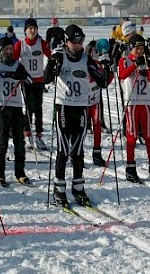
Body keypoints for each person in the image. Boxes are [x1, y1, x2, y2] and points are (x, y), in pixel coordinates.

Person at [44, 24, 110, 207]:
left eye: (81, 41)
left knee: (78, 151)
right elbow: (46, 78)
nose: (78, 45)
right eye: (74, 41)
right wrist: (52, 60)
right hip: (64, 107)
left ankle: (78, 189)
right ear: (66, 41)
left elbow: (103, 82)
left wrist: (106, 65)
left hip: (81, 107)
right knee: (64, 150)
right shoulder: (60, 56)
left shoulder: (86, 59)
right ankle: (59, 189)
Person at [118, 34, 150, 184]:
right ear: (131, 48)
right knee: (132, 136)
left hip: (145, 102)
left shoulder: (146, 60)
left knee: (148, 136)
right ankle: (130, 168)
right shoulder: (124, 60)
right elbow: (122, 75)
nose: (139, 51)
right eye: (136, 48)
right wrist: (135, 64)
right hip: (132, 103)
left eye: (141, 48)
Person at [0, 37, 31, 186]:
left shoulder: (17, 64)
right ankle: (0, 174)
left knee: (19, 142)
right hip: (3, 106)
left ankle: (20, 173)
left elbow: (28, 79)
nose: (9, 51)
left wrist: (19, 75)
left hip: (17, 105)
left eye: (11, 49)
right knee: (3, 142)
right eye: (6, 49)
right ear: (1, 50)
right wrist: (3, 74)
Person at [14, 18, 51, 150]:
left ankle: (39, 135)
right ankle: (28, 133)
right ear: (25, 31)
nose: (33, 30)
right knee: (30, 107)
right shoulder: (21, 44)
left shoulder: (42, 43)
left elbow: (52, 56)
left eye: (34, 28)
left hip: (39, 80)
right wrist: (18, 74)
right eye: (30, 28)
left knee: (39, 108)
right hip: (27, 81)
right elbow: (13, 60)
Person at [84, 39, 112, 166]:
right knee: (80, 129)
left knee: (97, 126)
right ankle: (76, 153)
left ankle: (97, 153)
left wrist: (108, 68)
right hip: (82, 101)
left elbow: (106, 82)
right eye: (93, 51)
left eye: (97, 52)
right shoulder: (84, 62)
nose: (95, 54)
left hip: (95, 100)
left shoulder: (100, 64)